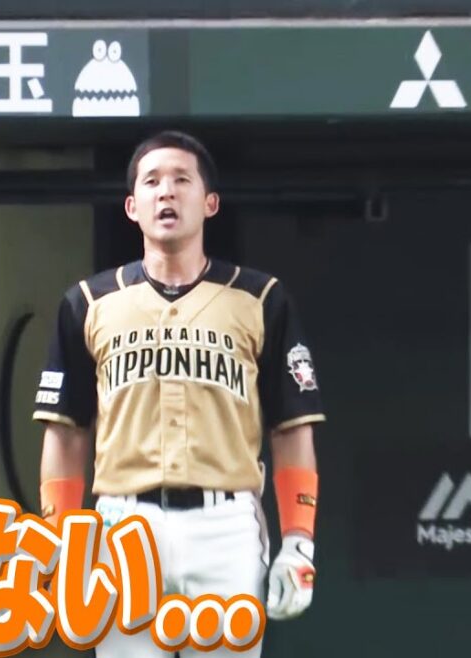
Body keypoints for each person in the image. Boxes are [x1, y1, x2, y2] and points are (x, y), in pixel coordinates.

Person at [31, 129, 324, 657]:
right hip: (123, 525)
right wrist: (59, 538)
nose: (166, 191)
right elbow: (66, 432)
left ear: (210, 202)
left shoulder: (260, 298)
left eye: (182, 180)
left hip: (226, 524)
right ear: (132, 206)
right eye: (152, 181)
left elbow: (291, 428)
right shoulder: (88, 302)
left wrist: (299, 539)